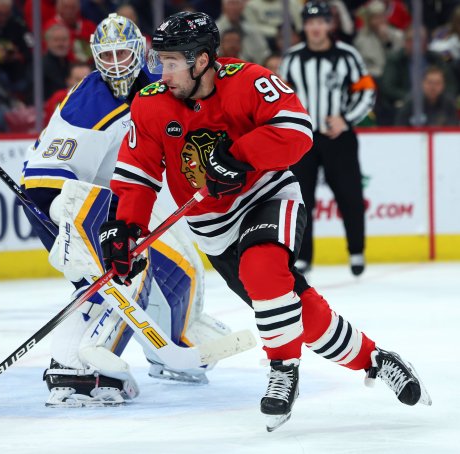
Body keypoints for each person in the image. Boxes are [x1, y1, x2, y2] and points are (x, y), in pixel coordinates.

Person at [99, 10, 430, 432]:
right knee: (297, 311)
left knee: (263, 268)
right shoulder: (150, 103)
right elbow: (137, 175)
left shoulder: (248, 80)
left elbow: (296, 130)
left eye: (170, 62)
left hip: (267, 195)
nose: (160, 71)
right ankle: (377, 360)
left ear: (202, 60)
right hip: (213, 229)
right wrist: (125, 229)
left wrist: (239, 154)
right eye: (159, 60)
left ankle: (282, 372)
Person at [22, 13, 231, 407]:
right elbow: (41, 181)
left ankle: (171, 347)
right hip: (68, 204)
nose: (117, 62)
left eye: (123, 52)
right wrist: (75, 230)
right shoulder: (88, 103)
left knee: (183, 267)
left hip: (120, 203)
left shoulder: (156, 85)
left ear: (140, 51)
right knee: (123, 273)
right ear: (95, 57)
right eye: (108, 54)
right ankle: (73, 368)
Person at [279, 1, 376, 276]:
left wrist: (346, 119)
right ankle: (303, 257)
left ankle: (356, 251)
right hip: (303, 140)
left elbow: (367, 91)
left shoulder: (347, 55)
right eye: (311, 23)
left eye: (321, 22)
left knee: (350, 195)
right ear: (304, 26)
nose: (316, 28)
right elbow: (282, 97)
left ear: (330, 25)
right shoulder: (292, 58)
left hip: (339, 138)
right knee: (300, 199)